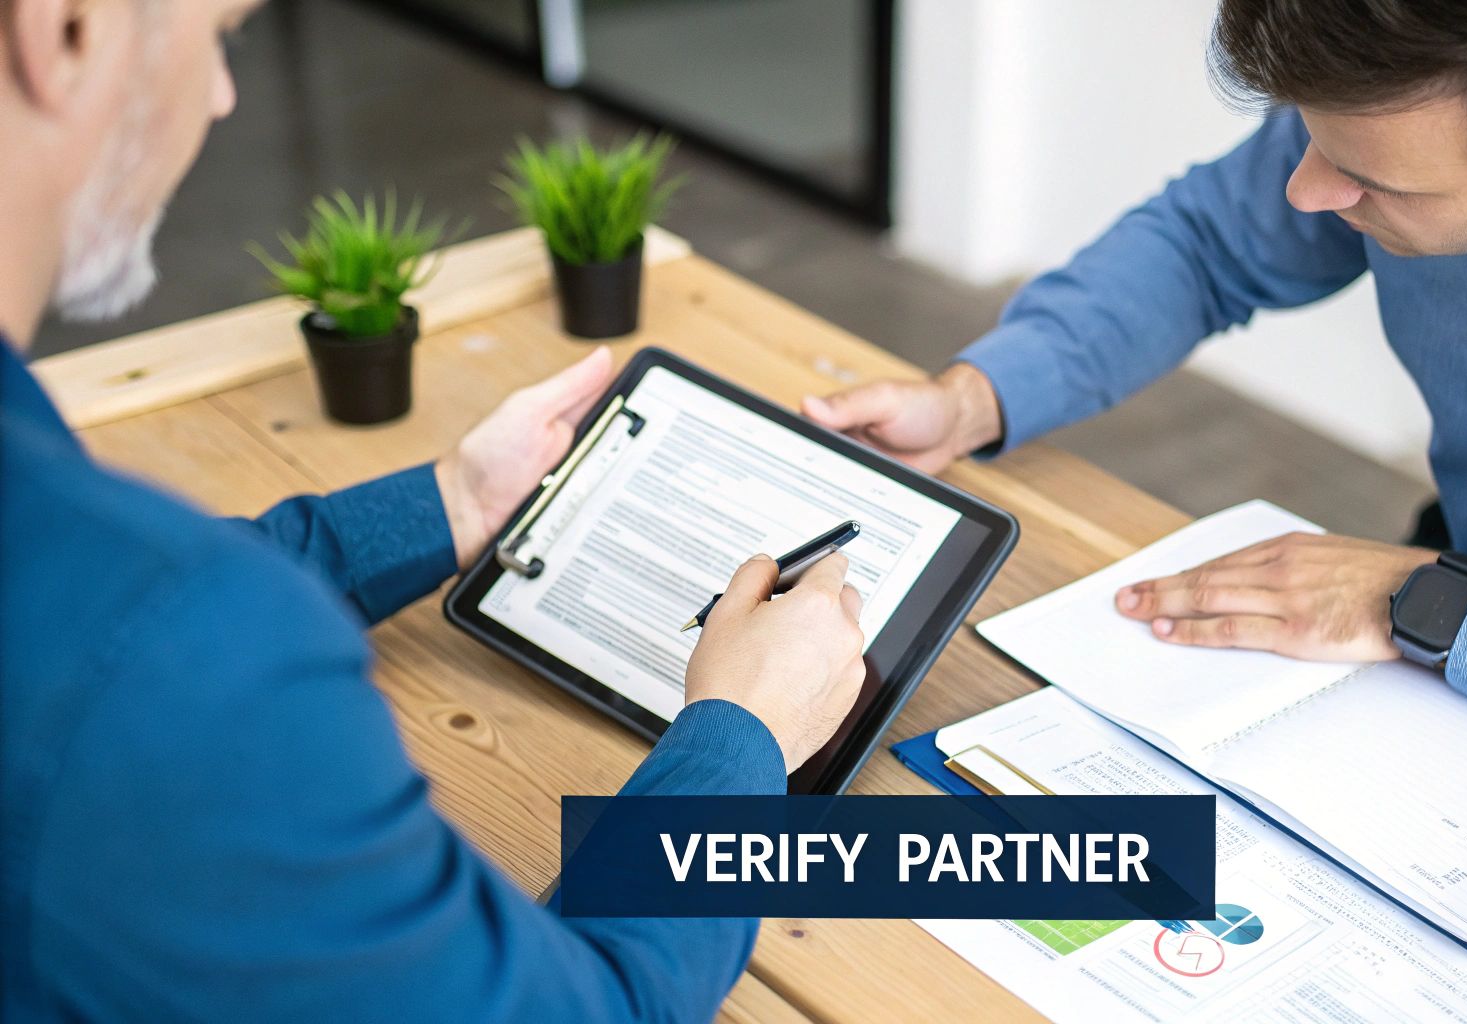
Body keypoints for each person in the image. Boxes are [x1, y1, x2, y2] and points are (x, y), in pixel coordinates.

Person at [0, 1, 866, 1020]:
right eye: (222, 32)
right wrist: (742, 730)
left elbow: (93, 617)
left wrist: (447, 504)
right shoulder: (178, 658)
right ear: (67, 29)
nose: (225, 93)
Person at [806, 0, 1467, 850]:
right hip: (1426, 707)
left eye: (1368, 184)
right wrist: (976, 396)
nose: (1306, 191)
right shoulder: (1432, 77)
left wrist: (1444, 610)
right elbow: (1211, 240)